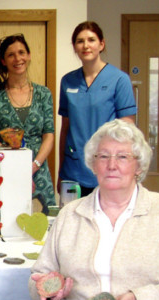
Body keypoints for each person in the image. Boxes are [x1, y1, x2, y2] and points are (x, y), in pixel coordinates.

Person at [28, 119, 159, 300]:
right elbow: (38, 278)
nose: (112, 165)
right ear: (93, 164)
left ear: (138, 166)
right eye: (103, 156)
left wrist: (134, 299)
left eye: (122, 157)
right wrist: (50, 289)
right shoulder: (71, 214)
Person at [59, 22, 137, 197]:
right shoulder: (68, 81)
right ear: (74, 47)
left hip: (108, 171)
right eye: (80, 41)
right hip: (73, 171)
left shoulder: (119, 80)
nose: (85, 45)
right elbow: (65, 129)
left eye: (91, 40)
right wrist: (60, 172)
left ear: (101, 44)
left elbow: (128, 130)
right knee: (73, 221)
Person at [0, 33, 56, 208]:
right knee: (9, 222)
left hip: (39, 171)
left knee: (45, 225)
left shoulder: (43, 93)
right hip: (7, 171)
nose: (18, 58)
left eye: (21, 52)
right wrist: (16, 167)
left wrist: (34, 165)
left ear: (29, 56)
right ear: (3, 61)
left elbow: (49, 135)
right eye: (11, 55)